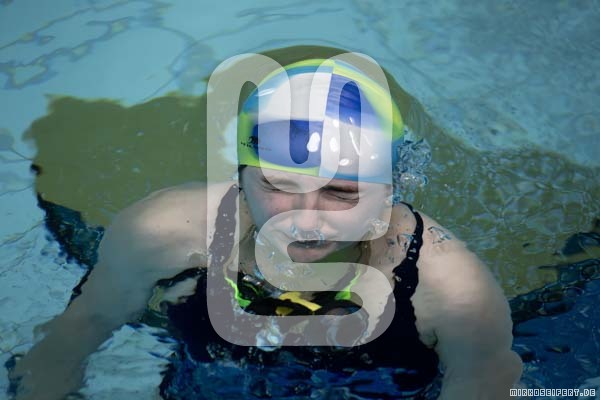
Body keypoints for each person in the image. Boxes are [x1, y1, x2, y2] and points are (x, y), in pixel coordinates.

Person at [10, 54, 522, 400]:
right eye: (278, 185)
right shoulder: (165, 232)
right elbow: (72, 338)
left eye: (341, 193)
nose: (304, 218)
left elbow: (487, 382)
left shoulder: (451, 290)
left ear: (393, 188)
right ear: (240, 175)